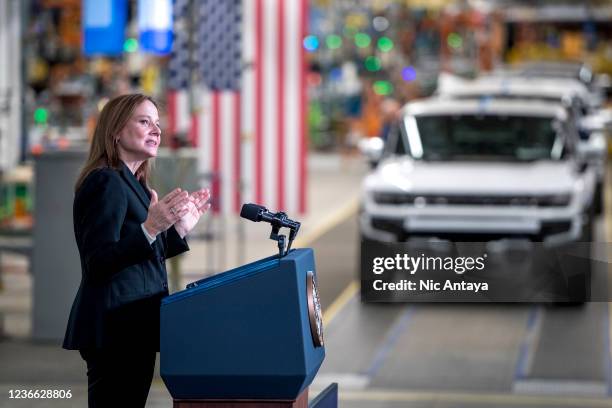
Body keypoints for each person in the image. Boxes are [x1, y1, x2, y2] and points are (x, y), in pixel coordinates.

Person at [62, 93, 210, 407]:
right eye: (144, 121)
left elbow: (140, 257)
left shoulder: (135, 185)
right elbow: (98, 262)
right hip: (115, 330)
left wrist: (179, 229)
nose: (156, 130)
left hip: (133, 328)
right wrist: (151, 227)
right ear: (115, 130)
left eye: (157, 123)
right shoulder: (105, 182)